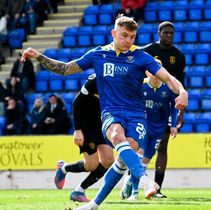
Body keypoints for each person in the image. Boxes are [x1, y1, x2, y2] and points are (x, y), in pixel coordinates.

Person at [21, 15, 188, 210]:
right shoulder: (98, 55)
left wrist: (182, 91)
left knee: (124, 156)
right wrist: (38, 56)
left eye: (132, 37)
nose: (128, 40)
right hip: (111, 112)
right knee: (117, 136)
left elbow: (168, 78)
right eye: (124, 35)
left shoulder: (141, 57)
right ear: (114, 33)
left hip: (136, 115)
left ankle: (93, 204)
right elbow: (66, 69)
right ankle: (146, 181)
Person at [121, 62, 178, 200]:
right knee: (139, 159)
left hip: (159, 129)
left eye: (158, 71)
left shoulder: (168, 87)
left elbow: (174, 106)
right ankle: (135, 193)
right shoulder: (140, 86)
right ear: (147, 72)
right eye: (152, 71)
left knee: (145, 163)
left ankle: (129, 181)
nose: (156, 75)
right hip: (143, 126)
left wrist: (173, 125)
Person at [142, 21, 186, 198]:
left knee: (162, 147)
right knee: (139, 146)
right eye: (166, 33)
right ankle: (135, 183)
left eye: (171, 33)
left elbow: (181, 85)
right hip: (144, 105)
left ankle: (157, 188)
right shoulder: (147, 51)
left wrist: (180, 113)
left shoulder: (178, 56)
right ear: (158, 33)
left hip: (164, 107)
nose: (169, 36)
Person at [54, 74, 114, 203]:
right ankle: (64, 168)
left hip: (102, 125)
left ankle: (78, 191)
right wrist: (77, 130)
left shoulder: (119, 80)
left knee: (108, 161)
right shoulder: (95, 79)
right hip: (86, 126)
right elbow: (77, 102)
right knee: (92, 165)